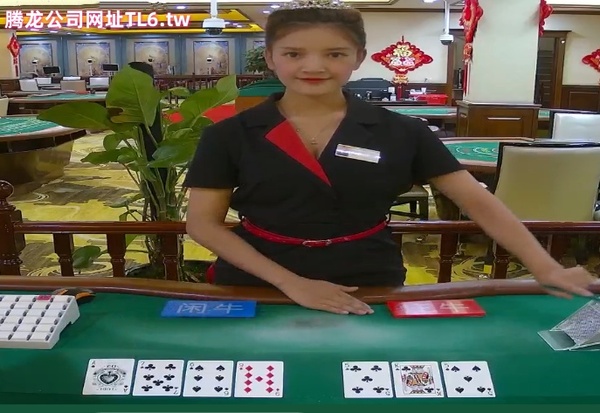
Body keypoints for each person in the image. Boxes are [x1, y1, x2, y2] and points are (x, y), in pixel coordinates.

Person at [184, 0, 596, 315]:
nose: (314, 66)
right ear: (271, 58)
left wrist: (547, 267)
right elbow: (203, 224)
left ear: (358, 58)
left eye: (335, 54)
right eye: (294, 54)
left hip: (367, 274)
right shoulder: (228, 134)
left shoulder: (403, 131)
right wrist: (292, 283)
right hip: (257, 276)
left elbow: (479, 202)